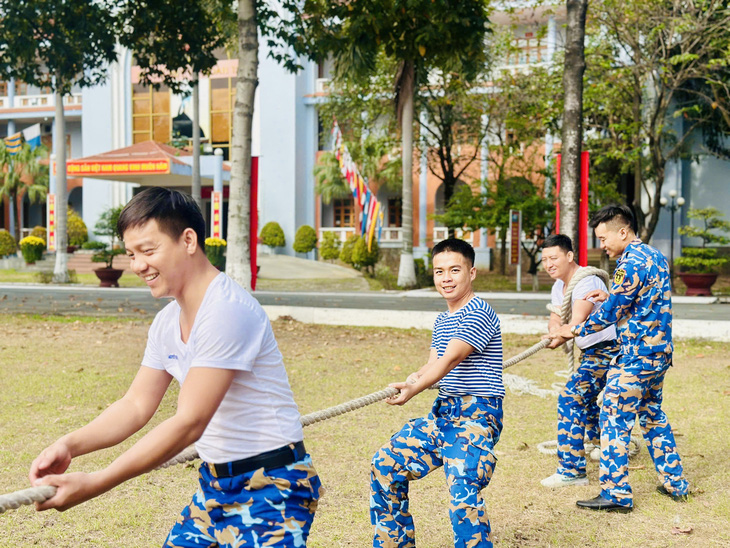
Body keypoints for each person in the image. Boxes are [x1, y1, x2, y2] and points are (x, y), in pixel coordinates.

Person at [29, 187, 321, 546]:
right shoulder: (168, 322)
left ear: (188, 240)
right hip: (215, 485)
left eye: (148, 251)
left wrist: (97, 482)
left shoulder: (226, 311)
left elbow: (189, 422)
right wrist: (70, 445)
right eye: (131, 254)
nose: (137, 265)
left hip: (273, 484)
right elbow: (135, 405)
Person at [554, 204, 689, 512]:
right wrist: (609, 296)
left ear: (623, 232)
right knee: (653, 415)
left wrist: (574, 329)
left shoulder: (629, 264)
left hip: (637, 356)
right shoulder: (654, 256)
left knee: (613, 417)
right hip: (659, 354)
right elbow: (637, 300)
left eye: (604, 238)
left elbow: (612, 314)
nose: (602, 245)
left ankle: (616, 494)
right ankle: (676, 483)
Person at [370, 238, 503, 548]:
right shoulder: (443, 319)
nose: (446, 278)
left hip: (477, 417)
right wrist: (414, 378)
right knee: (385, 464)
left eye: (454, 270)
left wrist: (415, 388)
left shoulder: (479, 311)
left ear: (472, 273)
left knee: (462, 491)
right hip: (443, 414)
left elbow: (451, 359)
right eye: (439, 271)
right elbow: (433, 365)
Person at [540, 234, 619, 488]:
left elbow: (577, 323)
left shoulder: (587, 280)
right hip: (590, 352)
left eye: (554, 258)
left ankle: (572, 470)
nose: (548, 264)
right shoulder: (559, 286)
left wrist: (561, 334)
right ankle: (596, 443)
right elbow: (557, 317)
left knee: (571, 397)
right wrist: (554, 332)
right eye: (544, 259)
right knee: (586, 398)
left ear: (570, 256)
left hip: (607, 350)